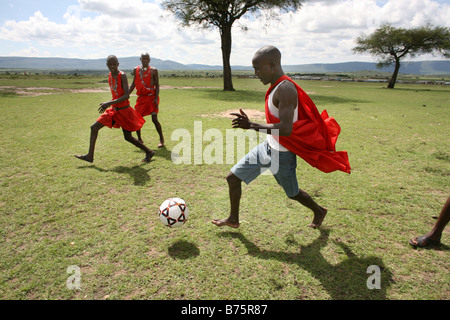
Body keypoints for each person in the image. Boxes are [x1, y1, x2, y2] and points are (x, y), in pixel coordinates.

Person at [212, 46, 351, 229]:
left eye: (258, 69)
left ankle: (319, 211)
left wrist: (252, 125)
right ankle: (233, 219)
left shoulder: (286, 89)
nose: (256, 73)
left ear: (273, 65)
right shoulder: (275, 87)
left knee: (292, 193)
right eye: (254, 69)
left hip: (283, 155)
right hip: (268, 146)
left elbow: (286, 129)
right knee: (233, 178)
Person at [74, 55, 155, 163]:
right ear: (107, 65)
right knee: (94, 127)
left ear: (118, 64)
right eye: (110, 64)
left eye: (114, 64)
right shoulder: (110, 75)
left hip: (124, 110)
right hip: (114, 110)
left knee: (128, 137)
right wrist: (111, 104)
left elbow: (126, 95)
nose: (112, 66)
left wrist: (109, 102)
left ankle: (149, 151)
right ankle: (90, 155)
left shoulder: (122, 75)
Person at [129, 52, 165, 148]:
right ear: (140, 59)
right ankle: (139, 139)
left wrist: (156, 98)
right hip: (141, 98)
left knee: (154, 119)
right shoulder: (136, 70)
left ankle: (161, 139)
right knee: (137, 119)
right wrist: (126, 94)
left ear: (149, 60)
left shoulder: (154, 70)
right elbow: (133, 84)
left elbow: (157, 85)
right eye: (143, 59)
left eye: (147, 59)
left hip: (151, 98)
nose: (145, 61)